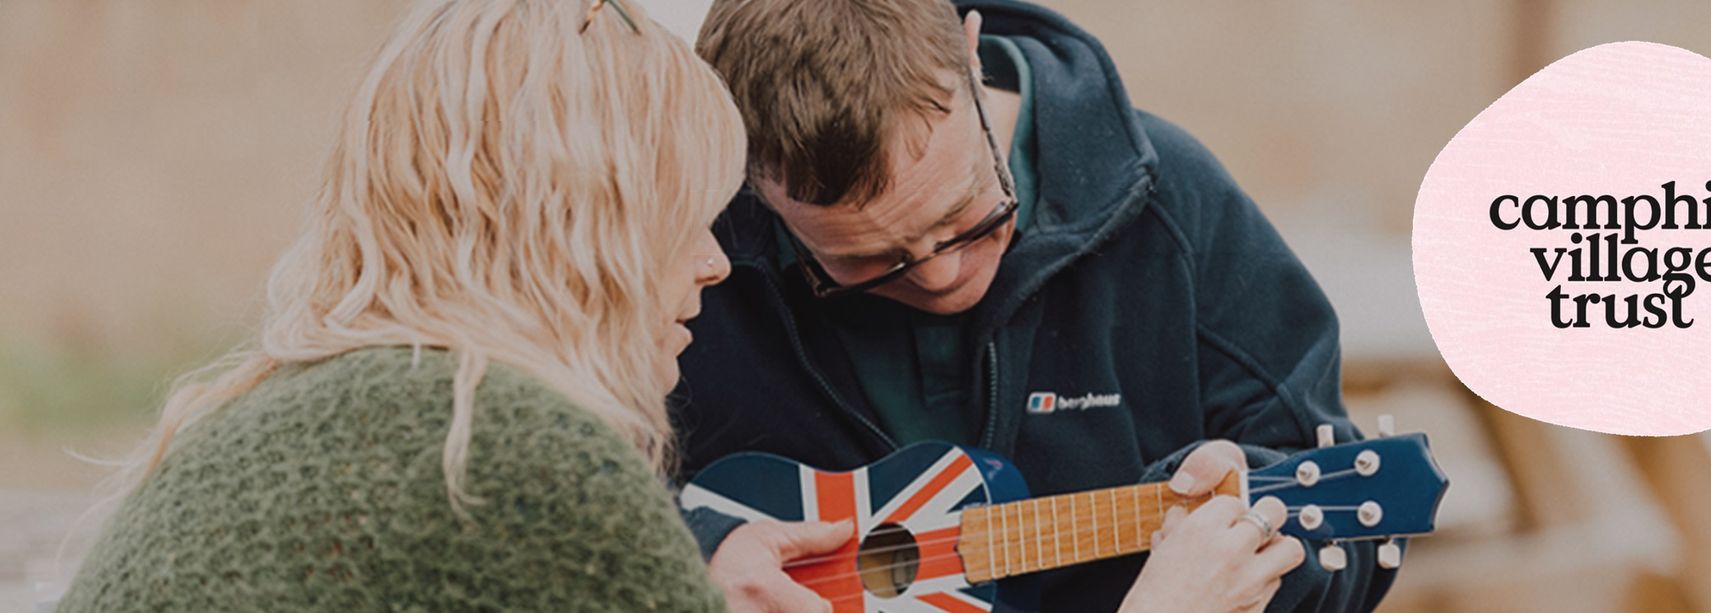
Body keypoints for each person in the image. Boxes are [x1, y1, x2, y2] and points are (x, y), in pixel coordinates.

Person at [55, 1, 1297, 611]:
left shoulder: (314, 408)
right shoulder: (512, 460)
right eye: (686, 220)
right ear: (587, 235)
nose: (717, 265)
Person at [675, 0, 1398, 611]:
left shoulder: (1171, 202)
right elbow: (583, 503)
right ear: (746, 175)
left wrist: (1251, 569)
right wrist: (695, 559)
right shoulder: (687, 252)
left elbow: (1351, 532)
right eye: (867, 260)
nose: (942, 275)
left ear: (968, 50)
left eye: (968, 215)